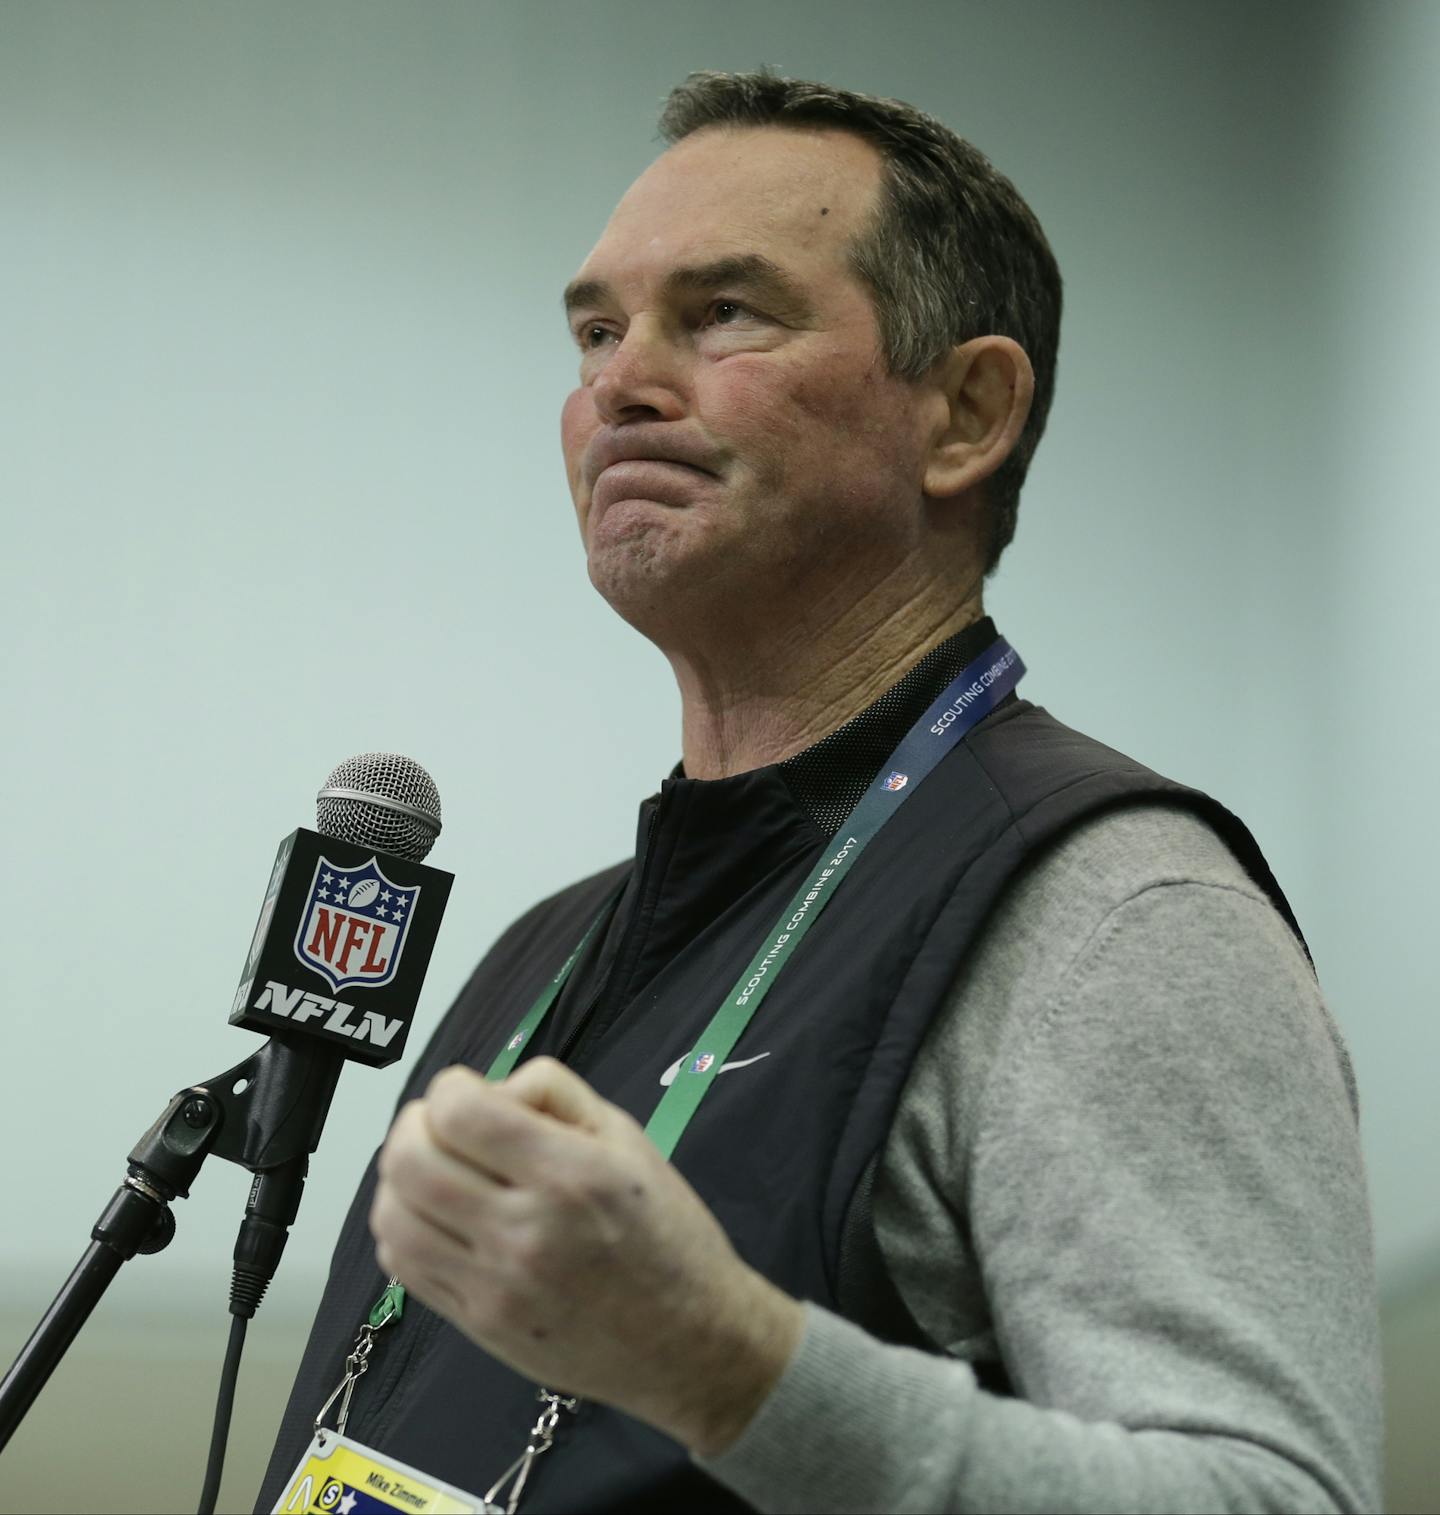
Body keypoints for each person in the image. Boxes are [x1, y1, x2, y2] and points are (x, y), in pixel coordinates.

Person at [259, 72, 1382, 1514]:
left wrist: (731, 1367)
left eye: (725, 313)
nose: (619, 383)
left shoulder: (1115, 913)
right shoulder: (538, 956)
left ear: (966, 413)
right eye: (595, 330)